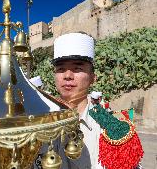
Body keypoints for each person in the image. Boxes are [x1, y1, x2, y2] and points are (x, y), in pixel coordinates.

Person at [50, 32, 143, 169]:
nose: (68, 75)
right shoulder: (40, 117)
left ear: (93, 78)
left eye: (77, 68)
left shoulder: (112, 124)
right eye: (61, 69)